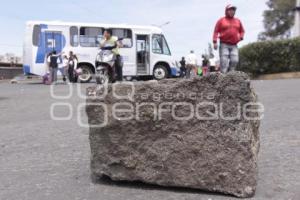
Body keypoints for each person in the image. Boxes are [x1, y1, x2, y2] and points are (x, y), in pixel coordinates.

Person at [213, 4, 245, 73]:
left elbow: (242, 31)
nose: (232, 11)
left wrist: (241, 36)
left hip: (234, 45)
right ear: (226, 11)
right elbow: (216, 31)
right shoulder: (221, 20)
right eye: (230, 10)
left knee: (235, 60)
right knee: (224, 62)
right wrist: (215, 41)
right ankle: (223, 77)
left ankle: (231, 75)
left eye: (233, 10)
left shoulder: (238, 21)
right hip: (224, 44)